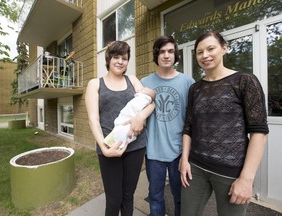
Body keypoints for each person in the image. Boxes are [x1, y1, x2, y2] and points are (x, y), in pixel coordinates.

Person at [179, 31, 269, 216]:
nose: (205, 55)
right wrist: (184, 159)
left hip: (231, 171)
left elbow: (259, 132)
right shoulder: (195, 89)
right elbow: (188, 127)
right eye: (199, 52)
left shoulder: (245, 81)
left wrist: (246, 178)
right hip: (195, 167)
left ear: (224, 48)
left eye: (210, 48)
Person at [85, 41, 155, 216]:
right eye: (116, 57)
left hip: (135, 146)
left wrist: (140, 117)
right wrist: (103, 148)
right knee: (114, 198)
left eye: (124, 58)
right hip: (109, 147)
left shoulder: (132, 80)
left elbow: (150, 102)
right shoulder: (95, 84)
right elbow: (93, 119)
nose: (120, 61)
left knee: (128, 195)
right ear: (108, 59)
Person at [141, 35, 195, 216]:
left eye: (170, 51)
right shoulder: (145, 83)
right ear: (156, 55)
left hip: (179, 152)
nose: (166, 55)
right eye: (162, 51)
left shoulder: (188, 82)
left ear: (175, 55)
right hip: (153, 151)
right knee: (155, 196)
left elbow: (192, 119)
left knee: (180, 196)